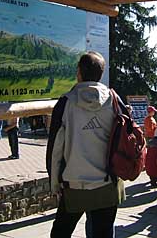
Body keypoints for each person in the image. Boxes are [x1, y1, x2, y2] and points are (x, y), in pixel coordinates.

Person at [47, 51, 124, 238]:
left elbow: (56, 149)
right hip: (108, 183)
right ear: (101, 73)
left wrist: (54, 183)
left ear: (79, 72)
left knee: (60, 233)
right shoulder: (114, 99)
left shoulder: (66, 103)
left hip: (74, 185)